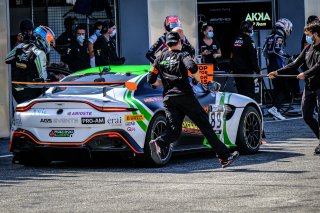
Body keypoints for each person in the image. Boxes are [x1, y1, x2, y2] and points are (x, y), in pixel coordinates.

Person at [147, 31, 239, 168]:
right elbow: (192, 66)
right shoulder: (183, 54)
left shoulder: (159, 58)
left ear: (167, 44)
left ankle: (159, 142)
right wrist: (200, 80)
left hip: (168, 99)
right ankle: (224, 156)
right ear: (179, 42)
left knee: (174, 131)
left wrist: (164, 83)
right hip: (185, 96)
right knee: (205, 126)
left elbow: (151, 79)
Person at [268, 21, 320, 155]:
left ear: (315, 34)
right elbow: (294, 64)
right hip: (310, 86)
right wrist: (277, 72)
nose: (306, 37)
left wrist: (305, 74)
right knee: (307, 115)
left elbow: (319, 66)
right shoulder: (308, 48)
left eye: (308, 34)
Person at [5, 26, 55, 103]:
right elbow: (43, 77)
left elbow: (7, 59)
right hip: (30, 90)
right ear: (42, 38)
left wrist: (21, 61)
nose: (50, 42)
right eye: (49, 39)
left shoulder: (21, 46)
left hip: (15, 88)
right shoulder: (39, 53)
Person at [263, 18, 294, 120]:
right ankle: (275, 108)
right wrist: (288, 56)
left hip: (270, 66)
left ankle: (275, 111)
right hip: (278, 67)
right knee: (284, 90)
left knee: (277, 89)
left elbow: (264, 52)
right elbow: (277, 50)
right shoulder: (279, 36)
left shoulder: (269, 37)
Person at [230, 20, 260, 100]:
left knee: (241, 94)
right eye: (252, 27)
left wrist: (232, 68)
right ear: (249, 28)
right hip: (246, 72)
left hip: (236, 71)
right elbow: (253, 57)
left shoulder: (235, 40)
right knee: (249, 94)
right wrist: (257, 70)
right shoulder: (249, 41)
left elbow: (232, 55)